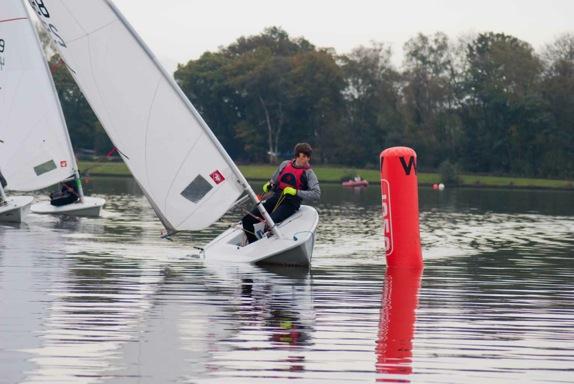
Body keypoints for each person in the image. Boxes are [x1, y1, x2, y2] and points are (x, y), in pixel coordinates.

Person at [242, 142, 320, 244]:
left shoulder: (309, 173)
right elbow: (273, 181)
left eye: (308, 157)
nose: (306, 159)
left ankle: (267, 243)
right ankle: (252, 244)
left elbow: (316, 194)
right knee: (247, 220)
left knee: (270, 223)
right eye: (304, 156)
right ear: (297, 156)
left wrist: (295, 192)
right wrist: (268, 186)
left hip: (290, 204)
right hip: (275, 199)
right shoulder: (284, 164)